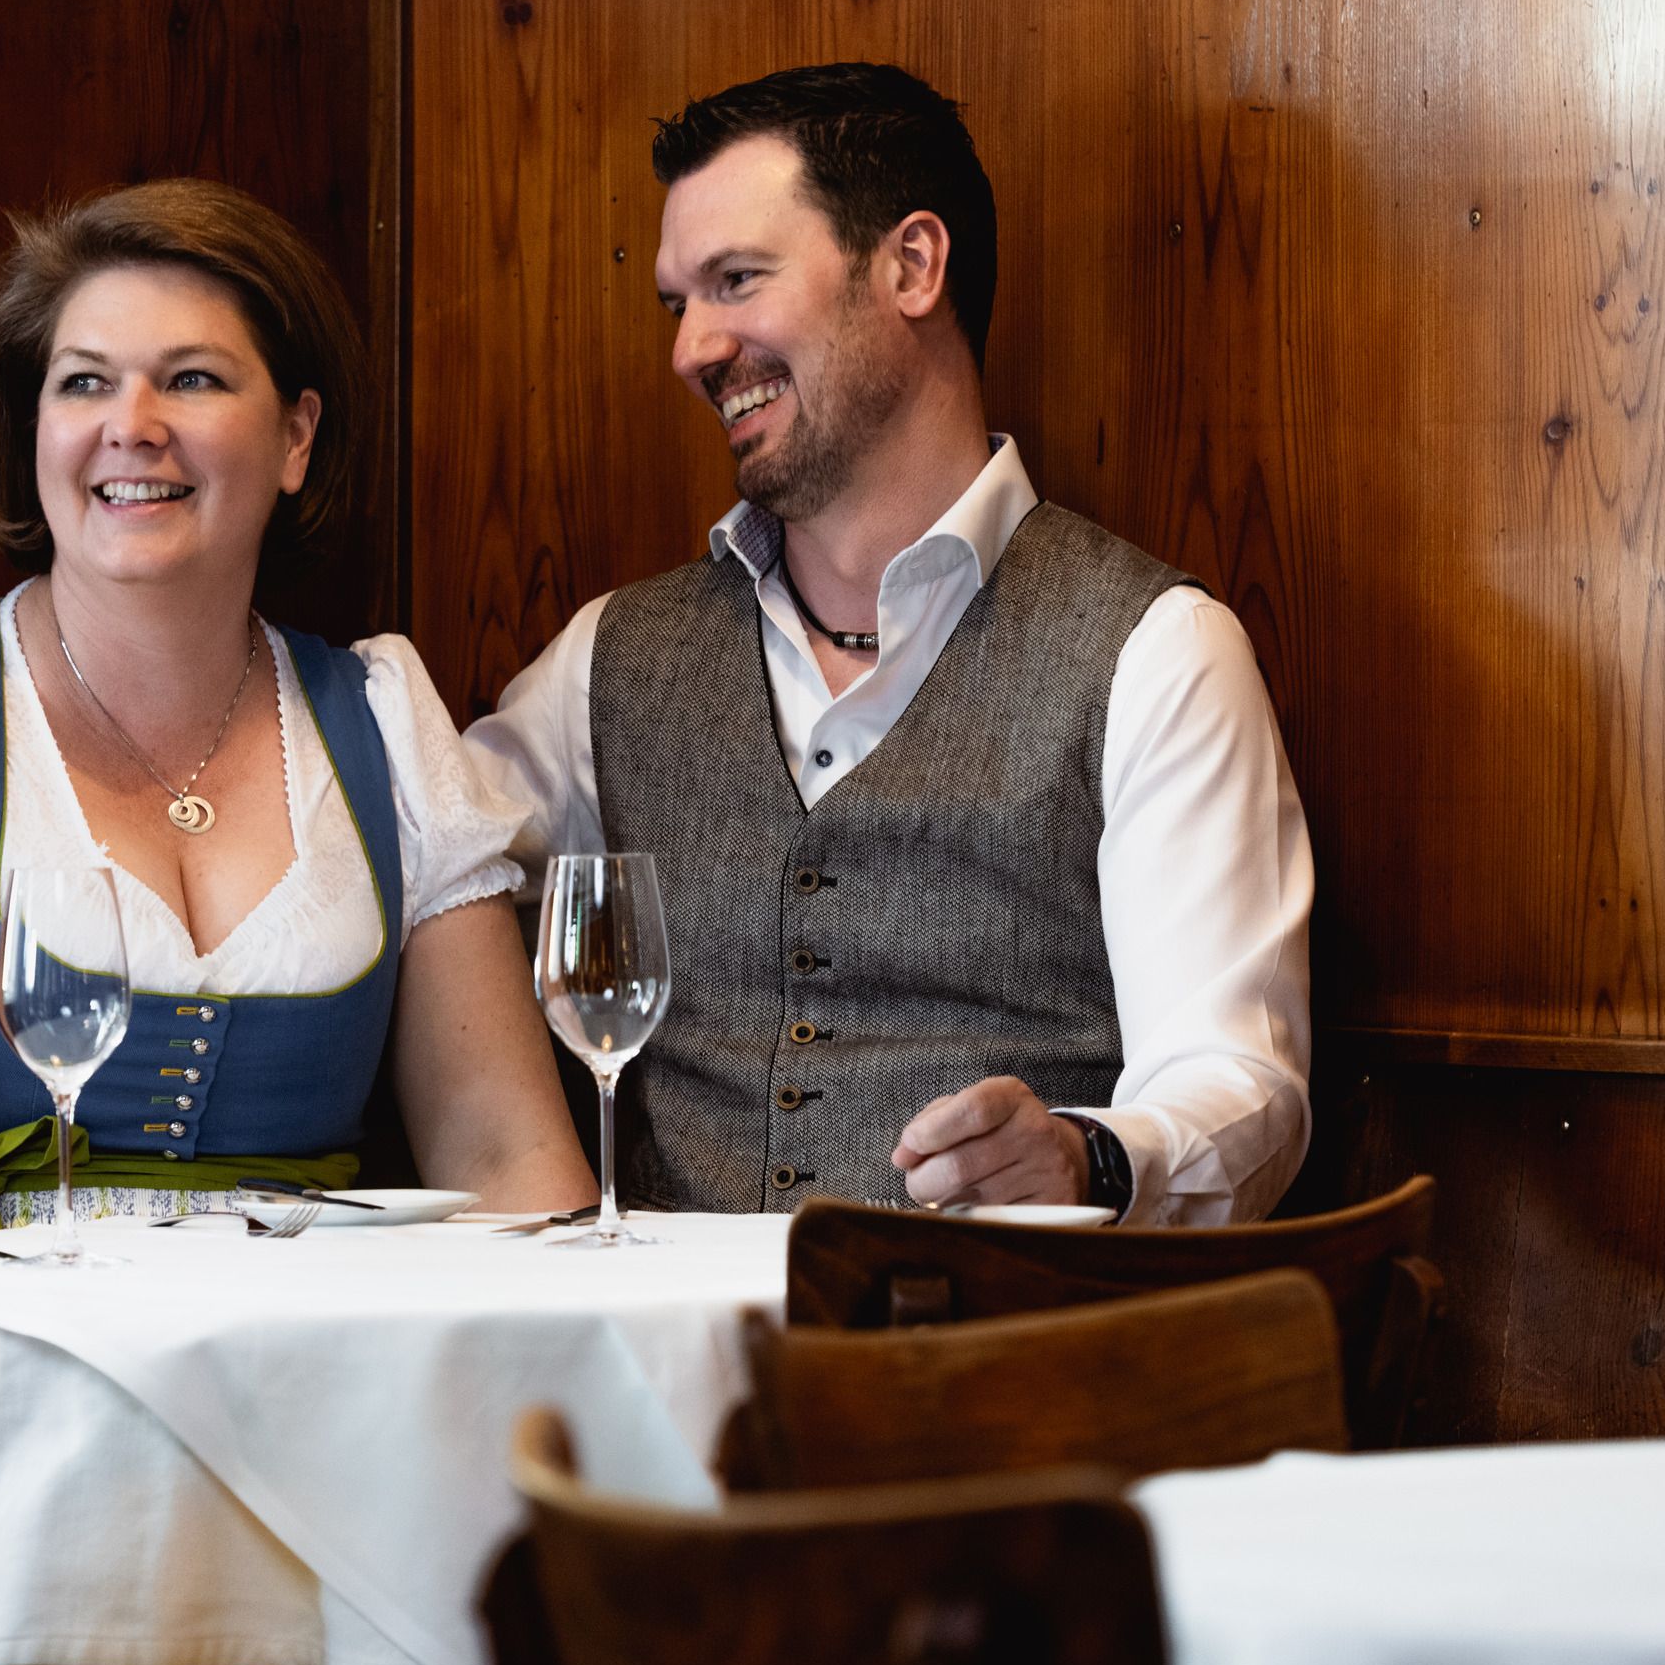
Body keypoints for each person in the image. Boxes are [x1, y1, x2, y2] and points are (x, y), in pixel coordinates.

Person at [463, 63, 1313, 1224]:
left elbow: (1238, 1080)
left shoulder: (1157, 652)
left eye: (737, 281)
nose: (692, 349)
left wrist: (1087, 1158)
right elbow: (422, 896)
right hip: (661, 1384)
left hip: (997, 1366)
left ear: (912, 265)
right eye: (679, 303)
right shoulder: (604, 661)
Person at [0, 178, 592, 1239]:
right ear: (34, 429)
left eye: (192, 379)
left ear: (297, 437)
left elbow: (513, 1159)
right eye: (84, 383)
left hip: (321, 1375)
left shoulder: (381, 717)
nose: (132, 428)